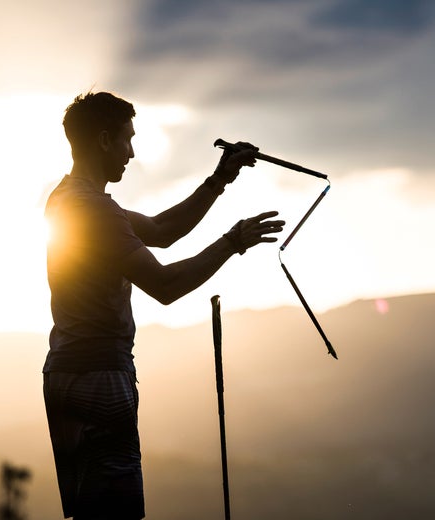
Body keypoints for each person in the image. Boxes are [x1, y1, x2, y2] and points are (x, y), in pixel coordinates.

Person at [42, 91, 284, 520]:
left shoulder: (67, 199)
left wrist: (219, 180)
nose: (131, 153)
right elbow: (166, 284)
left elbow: (161, 229)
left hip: (64, 374)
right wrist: (232, 243)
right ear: (102, 140)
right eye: (126, 140)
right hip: (100, 378)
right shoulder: (94, 210)